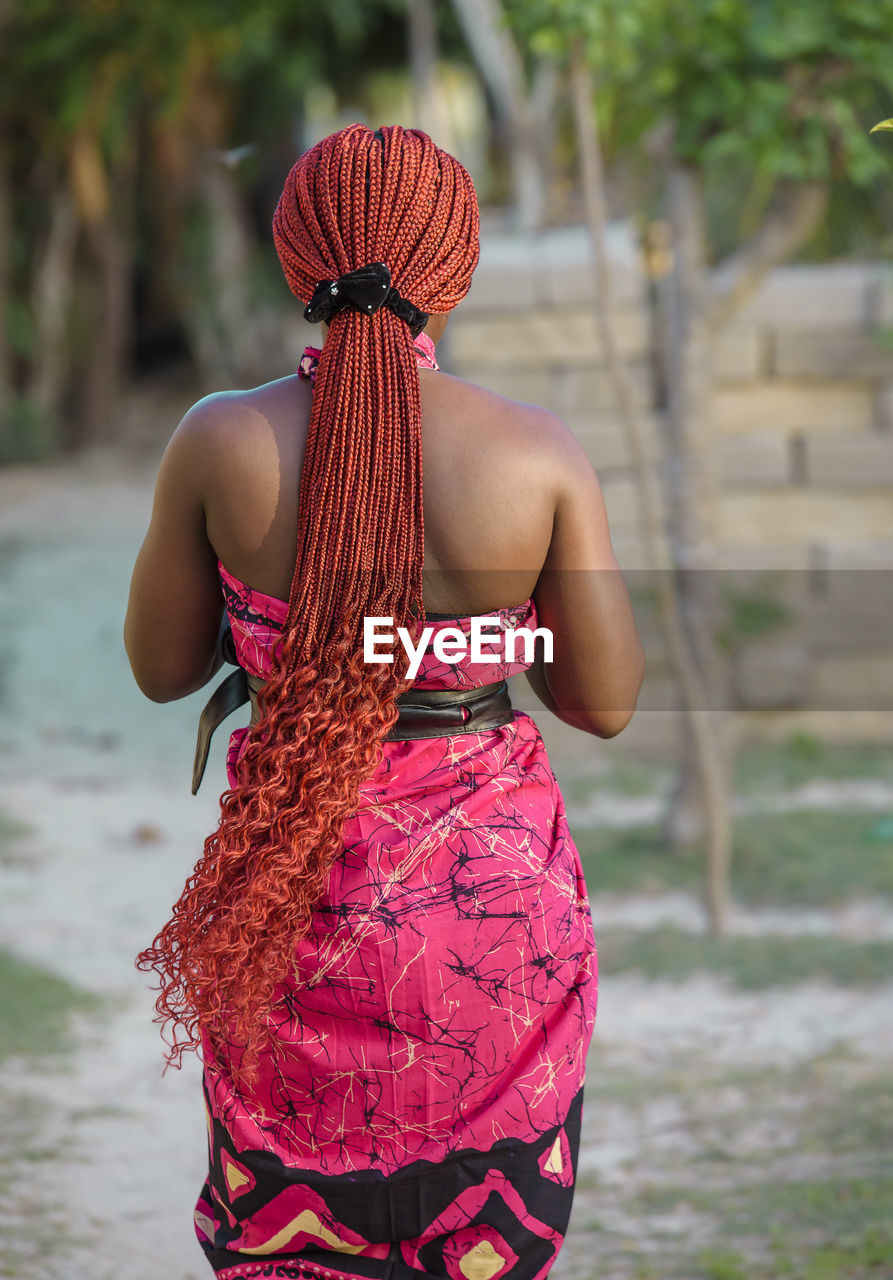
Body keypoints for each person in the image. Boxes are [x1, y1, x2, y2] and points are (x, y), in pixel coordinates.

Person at [123, 123, 645, 1280]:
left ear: (293, 260)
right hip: (490, 921)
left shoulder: (221, 440)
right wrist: (481, 632)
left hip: (294, 901)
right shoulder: (534, 455)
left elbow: (161, 670)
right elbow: (600, 700)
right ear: (453, 270)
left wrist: (293, 633)